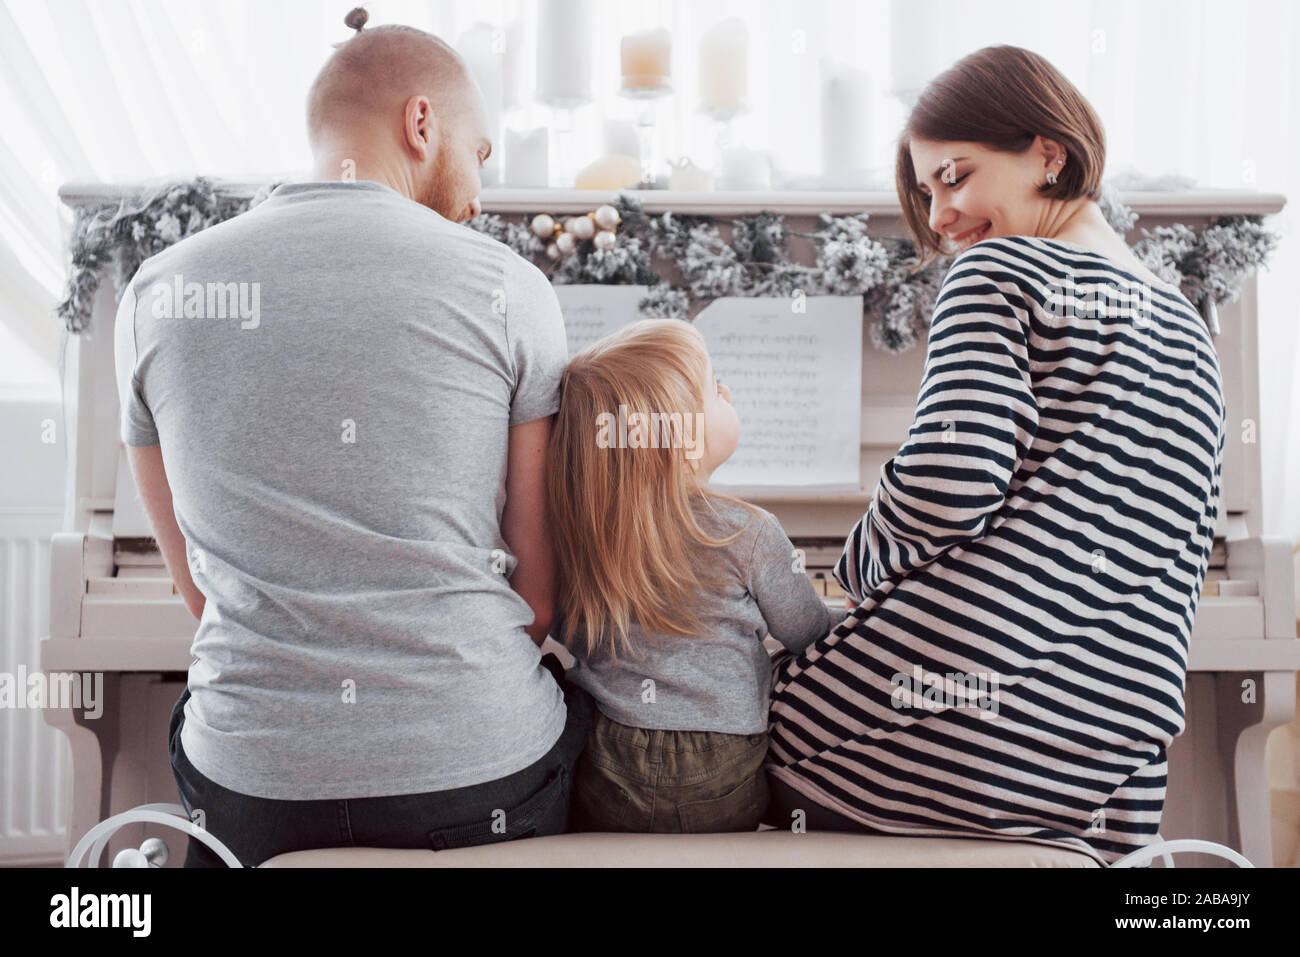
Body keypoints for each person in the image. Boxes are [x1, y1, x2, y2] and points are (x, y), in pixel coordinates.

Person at [115, 18, 591, 866]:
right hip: (473, 779)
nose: (479, 195)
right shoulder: (511, 289)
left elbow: (199, 593)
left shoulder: (158, 291)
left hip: (253, 788)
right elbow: (540, 602)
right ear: (420, 123)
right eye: (478, 154)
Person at [763, 45, 1226, 865]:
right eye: (926, 191)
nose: (939, 216)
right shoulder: (1189, 327)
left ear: (1049, 153)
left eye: (955, 176)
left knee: (685, 735)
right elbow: (1175, 575)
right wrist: (1118, 842)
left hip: (923, 745)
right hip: (1090, 766)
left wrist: (857, 567)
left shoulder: (1000, 271)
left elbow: (950, 482)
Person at [547, 319, 840, 832]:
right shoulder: (747, 531)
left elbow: (565, 627)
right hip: (721, 770)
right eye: (712, 387)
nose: (726, 391)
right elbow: (807, 633)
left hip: (606, 764)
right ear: (679, 440)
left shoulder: (579, 531)